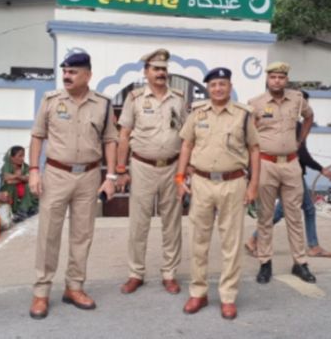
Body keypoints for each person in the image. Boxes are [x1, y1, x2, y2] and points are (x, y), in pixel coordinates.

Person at [27, 52, 117, 319]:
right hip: (56, 174)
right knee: (48, 234)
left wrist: (111, 177)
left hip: (89, 176)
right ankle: (41, 291)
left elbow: (110, 140)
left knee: (82, 234)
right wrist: (34, 171)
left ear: (88, 75)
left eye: (73, 72)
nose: (66, 76)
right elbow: (37, 136)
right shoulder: (51, 100)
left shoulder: (102, 104)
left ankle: (74, 287)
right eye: (65, 71)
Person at [176, 67, 260, 320]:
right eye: (213, 85)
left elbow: (254, 149)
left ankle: (228, 296)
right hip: (201, 182)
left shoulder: (243, 115)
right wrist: (180, 177)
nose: (218, 89)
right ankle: (198, 292)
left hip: (233, 183)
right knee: (198, 240)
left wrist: (253, 185)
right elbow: (187, 145)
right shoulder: (197, 113)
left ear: (230, 86)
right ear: (208, 88)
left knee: (231, 243)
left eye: (222, 84)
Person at [114, 49, 187, 295]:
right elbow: (124, 134)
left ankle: (169, 273)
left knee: (172, 223)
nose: (161, 73)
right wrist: (121, 169)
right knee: (139, 223)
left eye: (164, 69)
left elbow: (187, 136)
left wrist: (185, 169)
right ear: (146, 72)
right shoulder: (134, 98)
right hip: (142, 167)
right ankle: (136, 273)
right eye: (156, 69)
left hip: (172, 167)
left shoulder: (178, 98)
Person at [248, 62, 316, 285]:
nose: (277, 81)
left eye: (281, 77)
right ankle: (265, 262)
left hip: (291, 164)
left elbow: (309, 117)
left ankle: (300, 263)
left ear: (286, 79)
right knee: (265, 216)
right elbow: (249, 135)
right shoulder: (255, 103)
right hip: (266, 164)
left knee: (294, 215)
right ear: (267, 79)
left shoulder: (297, 99)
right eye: (273, 77)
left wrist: (300, 140)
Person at [246, 103, 331, 258]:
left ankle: (255, 238)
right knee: (299, 210)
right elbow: (302, 154)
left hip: (288, 172)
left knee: (292, 210)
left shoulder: (291, 125)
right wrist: (321, 169)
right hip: (291, 174)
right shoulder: (292, 127)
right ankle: (312, 246)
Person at [0, 146, 35, 221]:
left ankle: (23, 209)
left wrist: (15, 176)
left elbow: (28, 178)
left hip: (22, 189)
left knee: (28, 186)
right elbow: (7, 180)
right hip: (10, 189)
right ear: (12, 158)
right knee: (10, 186)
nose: (22, 158)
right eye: (20, 156)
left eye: (23, 156)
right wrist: (21, 177)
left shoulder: (25, 166)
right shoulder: (7, 166)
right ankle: (13, 210)